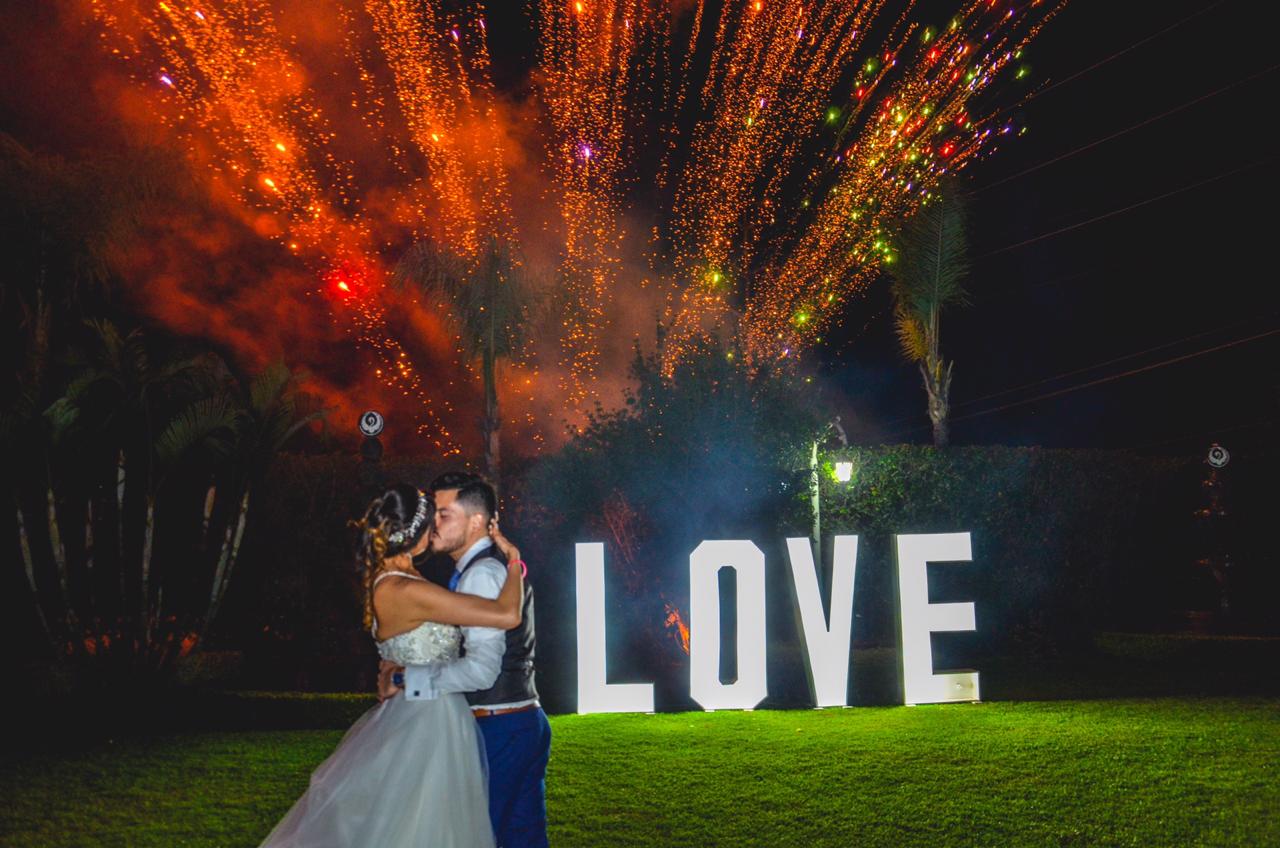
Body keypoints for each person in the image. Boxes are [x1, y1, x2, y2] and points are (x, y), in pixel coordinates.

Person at [259, 483, 525, 848]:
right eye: (432, 521)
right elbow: (507, 614)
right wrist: (513, 561)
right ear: (415, 535)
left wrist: (397, 673)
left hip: (425, 712)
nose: (436, 529)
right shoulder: (405, 590)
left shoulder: (398, 580)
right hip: (427, 724)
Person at [380, 472, 551, 848]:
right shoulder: (487, 569)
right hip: (520, 721)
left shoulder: (482, 575)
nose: (432, 524)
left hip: (499, 726)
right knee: (522, 839)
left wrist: (406, 679)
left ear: (476, 521)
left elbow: (481, 670)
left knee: (477, 836)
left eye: (443, 515)